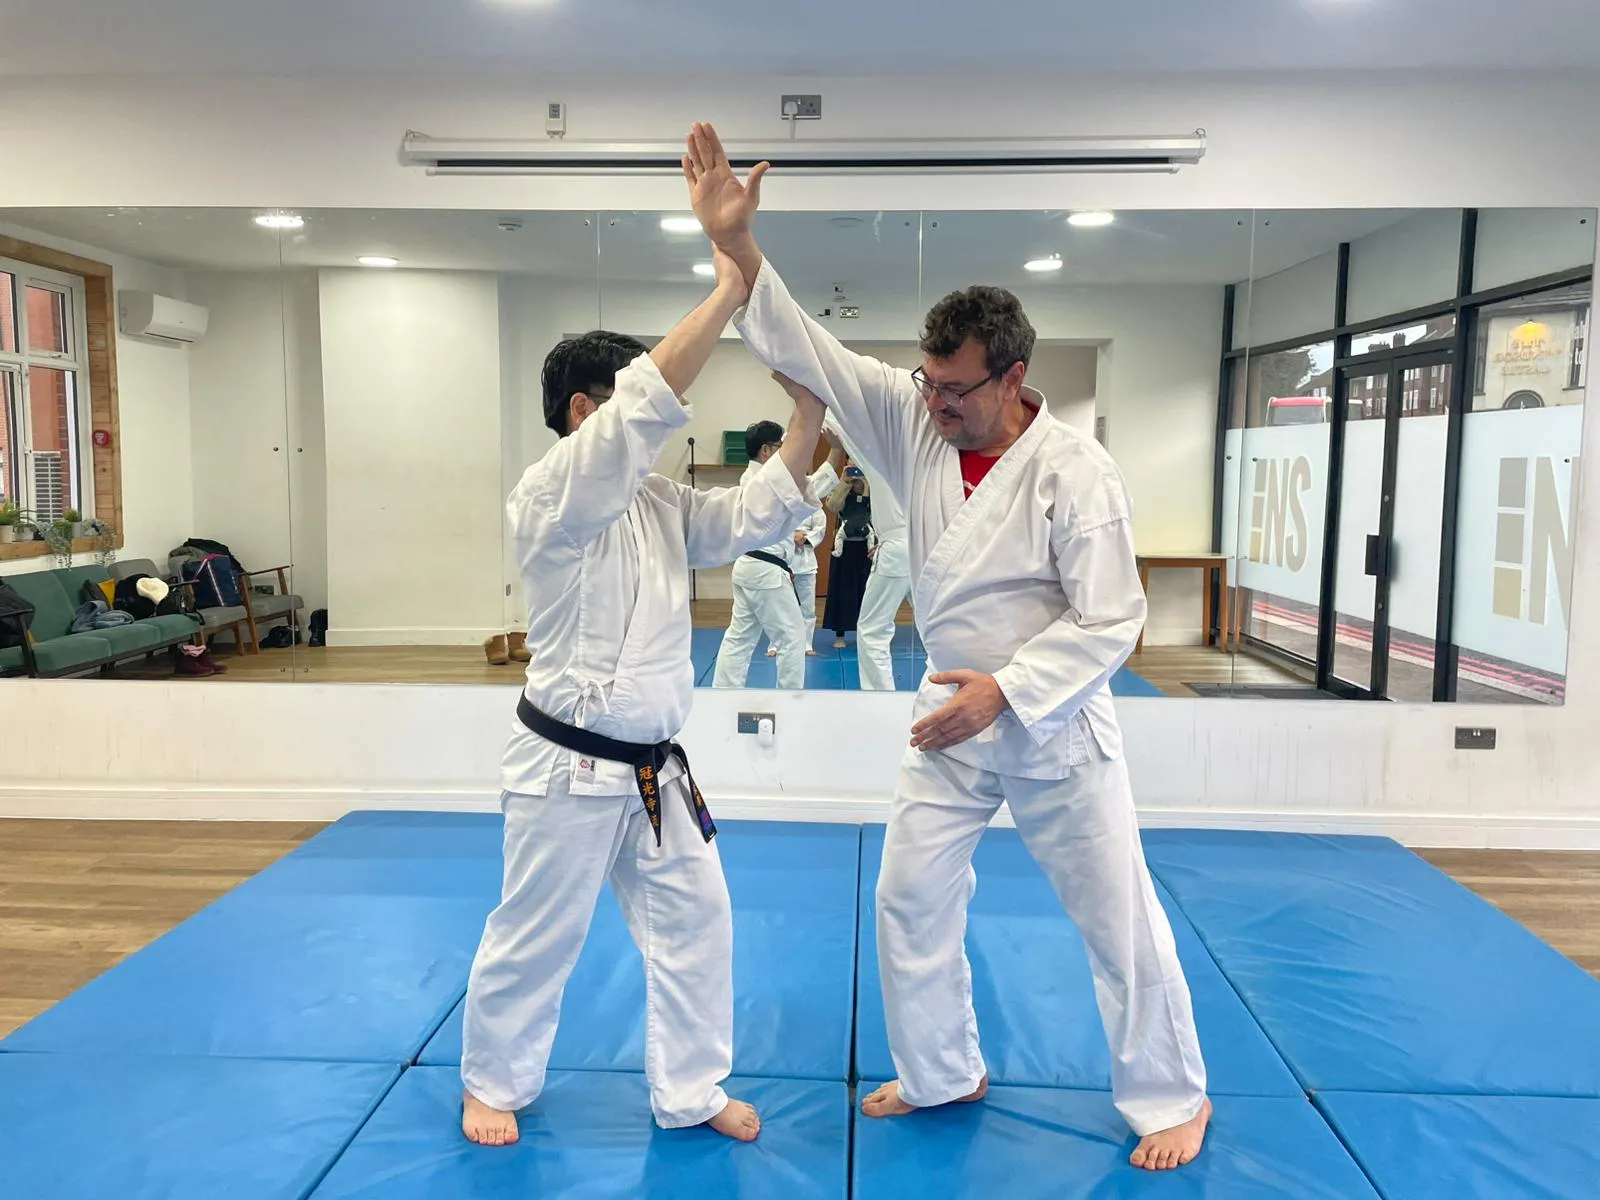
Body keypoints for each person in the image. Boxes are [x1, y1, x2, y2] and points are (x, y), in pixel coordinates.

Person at [686, 122, 1211, 1172]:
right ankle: (942, 1070)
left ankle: (1171, 1097)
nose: (933, 403)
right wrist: (739, 252)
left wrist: (1007, 694)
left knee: (1117, 919)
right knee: (908, 894)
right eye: (925, 384)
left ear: (1013, 378)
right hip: (946, 715)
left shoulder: (1076, 471)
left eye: (955, 389)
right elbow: (809, 353)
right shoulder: (914, 423)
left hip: (1054, 727)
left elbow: (1113, 620)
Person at [459, 247, 829, 1149]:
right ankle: (493, 1081)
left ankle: (690, 1090)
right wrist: (729, 292)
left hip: (655, 771)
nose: (656, 423)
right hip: (566, 765)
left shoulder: (658, 502)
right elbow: (640, 411)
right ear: (586, 412)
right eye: (628, 402)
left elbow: (753, 512)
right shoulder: (551, 497)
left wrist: (809, 408)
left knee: (700, 923)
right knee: (539, 934)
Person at [712, 420, 838, 688]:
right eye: (782, 446)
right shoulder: (765, 481)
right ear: (767, 450)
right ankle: (790, 701)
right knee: (792, 638)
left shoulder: (754, 478)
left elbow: (807, 487)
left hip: (749, 566)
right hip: (766, 571)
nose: (786, 452)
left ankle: (723, 693)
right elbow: (810, 490)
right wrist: (835, 451)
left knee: (740, 637)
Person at [827, 416, 912, 689]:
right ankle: (943, 690)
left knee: (873, 630)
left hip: (897, 549)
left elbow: (845, 434)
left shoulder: (879, 461)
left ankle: (879, 697)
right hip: (919, 546)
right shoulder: (915, 462)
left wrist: (835, 434)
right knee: (934, 626)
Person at [823, 466, 874, 650]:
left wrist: (867, 483)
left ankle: (866, 632)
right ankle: (840, 633)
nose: (856, 473)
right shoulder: (841, 489)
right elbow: (833, 506)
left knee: (868, 591)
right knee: (842, 591)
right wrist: (845, 482)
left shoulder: (873, 489)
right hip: (845, 548)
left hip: (866, 548)